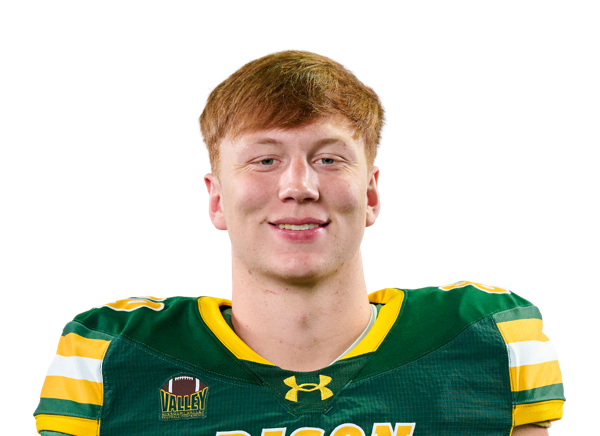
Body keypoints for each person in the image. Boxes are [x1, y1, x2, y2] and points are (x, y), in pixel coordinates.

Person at [34, 49, 565, 435]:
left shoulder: (483, 336)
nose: (299, 187)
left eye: (328, 159)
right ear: (216, 199)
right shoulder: (113, 352)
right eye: (265, 159)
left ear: (371, 194)